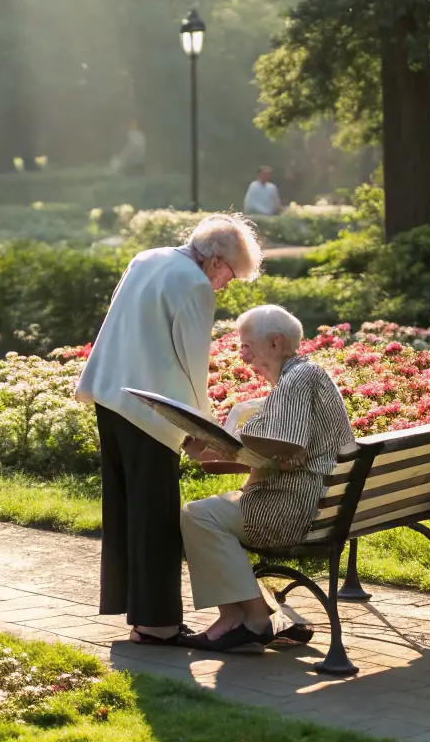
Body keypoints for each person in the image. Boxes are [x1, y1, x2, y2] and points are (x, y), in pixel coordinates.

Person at [73, 213, 262, 646]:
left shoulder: (148, 258)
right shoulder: (194, 284)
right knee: (156, 514)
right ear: (216, 261)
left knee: (125, 509)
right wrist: (204, 429)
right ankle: (157, 623)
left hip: (110, 396)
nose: (226, 286)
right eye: (230, 276)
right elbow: (194, 365)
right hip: (153, 412)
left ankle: (139, 614)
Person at [179, 304, 355, 653]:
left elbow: (281, 445)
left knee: (197, 515)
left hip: (296, 508)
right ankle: (261, 616)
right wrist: (215, 451)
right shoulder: (305, 375)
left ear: (276, 343)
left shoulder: (297, 380)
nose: (241, 353)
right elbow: (281, 456)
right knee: (210, 511)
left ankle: (249, 620)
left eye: (247, 345)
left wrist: (219, 443)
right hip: (323, 502)